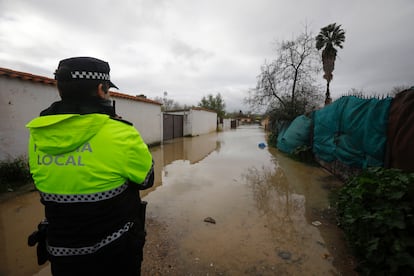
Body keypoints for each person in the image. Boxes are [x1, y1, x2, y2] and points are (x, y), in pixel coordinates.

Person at [26, 57, 154, 275]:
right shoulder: (121, 133)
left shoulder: (37, 135)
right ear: (101, 89)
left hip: (62, 255)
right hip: (116, 253)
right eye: (109, 90)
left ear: (60, 89)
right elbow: (147, 179)